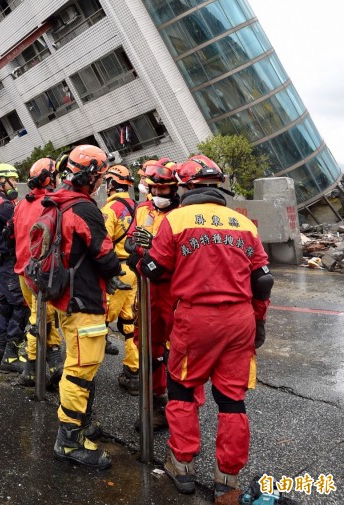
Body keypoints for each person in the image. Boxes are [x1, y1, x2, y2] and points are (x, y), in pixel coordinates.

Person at [135, 154, 274, 497]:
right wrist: (258, 320)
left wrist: (138, 258)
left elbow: (154, 269)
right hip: (240, 318)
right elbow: (262, 281)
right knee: (232, 400)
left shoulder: (177, 220)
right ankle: (227, 477)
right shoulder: (243, 223)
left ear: (186, 187)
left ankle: (181, 466)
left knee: (182, 388)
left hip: (197, 318)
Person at [46, 144, 122, 469]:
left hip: (67, 297)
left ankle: (82, 424)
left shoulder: (59, 202)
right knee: (79, 370)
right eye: (100, 175)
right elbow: (104, 254)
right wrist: (119, 268)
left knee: (82, 365)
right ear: (90, 175)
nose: (101, 181)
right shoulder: (85, 209)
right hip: (84, 301)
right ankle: (69, 441)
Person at [127, 158, 180, 427]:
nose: (159, 195)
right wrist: (141, 252)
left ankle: (181, 408)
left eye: (164, 191)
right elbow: (129, 242)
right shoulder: (142, 210)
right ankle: (156, 403)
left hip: (173, 289)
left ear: (175, 190)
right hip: (147, 288)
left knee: (179, 348)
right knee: (148, 345)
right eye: (155, 190)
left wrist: (151, 253)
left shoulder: (181, 215)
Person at [13, 157, 64, 387]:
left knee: (45, 318)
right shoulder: (50, 203)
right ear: (49, 178)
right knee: (40, 319)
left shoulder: (22, 203)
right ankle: (32, 368)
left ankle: (52, 364)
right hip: (41, 272)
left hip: (23, 270)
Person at [0, 162, 29, 372]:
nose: (15, 184)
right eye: (12, 181)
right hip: (6, 260)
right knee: (21, 304)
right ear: (3, 181)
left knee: (6, 303)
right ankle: (10, 358)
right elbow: (18, 218)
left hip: (3, 259)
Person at [100, 164, 139, 394]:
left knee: (99, 319)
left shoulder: (110, 210)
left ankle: (86, 374)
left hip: (115, 271)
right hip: (135, 271)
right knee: (130, 323)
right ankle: (133, 373)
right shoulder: (139, 208)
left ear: (111, 184)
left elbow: (102, 244)